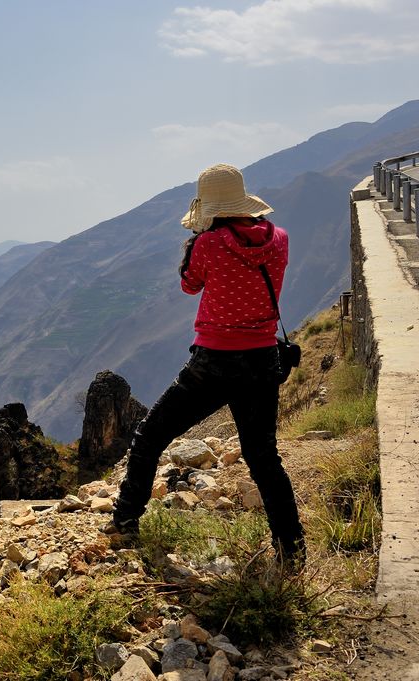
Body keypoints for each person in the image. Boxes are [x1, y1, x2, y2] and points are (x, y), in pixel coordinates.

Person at [102, 163, 305, 567]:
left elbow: (190, 284)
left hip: (213, 363)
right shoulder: (279, 239)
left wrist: (196, 242)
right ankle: (292, 549)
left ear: (210, 208)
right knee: (263, 457)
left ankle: (125, 520)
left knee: (149, 437)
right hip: (263, 360)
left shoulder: (208, 245)